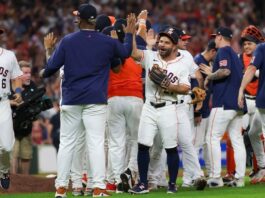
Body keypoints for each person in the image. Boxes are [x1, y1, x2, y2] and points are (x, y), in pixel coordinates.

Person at [39, 4, 136, 198]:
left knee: (67, 143)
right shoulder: (106, 42)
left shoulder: (68, 41)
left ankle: (60, 189)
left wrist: (47, 59)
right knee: (96, 143)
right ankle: (98, 188)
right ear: (94, 20)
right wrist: (131, 34)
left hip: (71, 99)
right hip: (96, 100)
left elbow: (49, 70)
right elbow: (126, 53)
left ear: (79, 20)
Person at [129, 26, 193, 194]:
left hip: (168, 108)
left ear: (174, 45)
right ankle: (143, 184)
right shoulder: (150, 56)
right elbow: (134, 53)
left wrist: (170, 85)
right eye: (161, 41)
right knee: (143, 145)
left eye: (166, 42)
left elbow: (186, 88)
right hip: (149, 107)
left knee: (170, 148)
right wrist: (131, 34)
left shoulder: (182, 64)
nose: (162, 44)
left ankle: (172, 183)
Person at [205, 27, 246, 187]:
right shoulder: (235, 54)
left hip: (223, 103)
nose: (215, 39)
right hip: (236, 105)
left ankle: (215, 177)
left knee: (212, 137)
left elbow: (225, 71)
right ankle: (240, 178)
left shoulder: (223, 51)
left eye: (216, 36)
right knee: (236, 140)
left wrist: (210, 75)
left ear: (220, 37)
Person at [238, 37, 265, 185]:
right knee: (253, 132)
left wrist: (241, 89)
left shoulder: (262, 47)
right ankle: (262, 167)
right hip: (259, 101)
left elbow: (252, 68)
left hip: (262, 100)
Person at [0, 27, 23, 190]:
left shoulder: (9, 56)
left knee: (6, 146)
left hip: (2, 103)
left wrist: (19, 91)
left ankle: (4, 171)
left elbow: (16, 78)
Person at [194, 40, 217, 176]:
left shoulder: (206, 62)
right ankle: (194, 175)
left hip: (206, 109)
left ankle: (210, 172)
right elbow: (197, 88)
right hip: (200, 110)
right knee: (197, 143)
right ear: (213, 51)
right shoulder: (199, 61)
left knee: (207, 142)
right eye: (217, 53)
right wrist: (197, 111)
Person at [11, 61, 37, 175]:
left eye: (29, 73)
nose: (29, 76)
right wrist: (12, 103)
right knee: (13, 155)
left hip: (26, 128)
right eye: (25, 73)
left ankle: (25, 183)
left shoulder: (32, 86)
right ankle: (13, 184)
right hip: (11, 128)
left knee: (26, 155)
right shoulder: (7, 86)